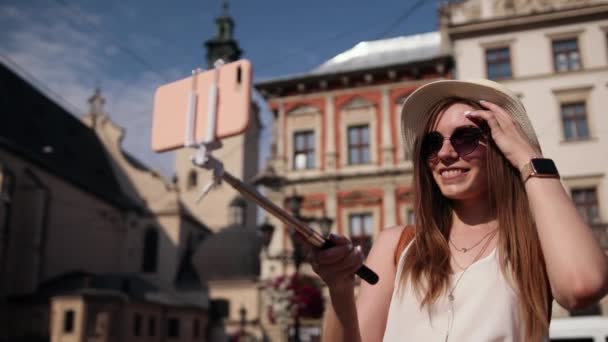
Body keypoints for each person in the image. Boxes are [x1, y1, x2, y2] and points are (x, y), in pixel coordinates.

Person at [307, 79, 608, 341]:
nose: (445, 153)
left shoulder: (534, 240)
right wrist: (340, 287)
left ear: (502, 145)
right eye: (431, 143)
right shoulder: (397, 246)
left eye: (466, 138)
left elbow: (582, 287)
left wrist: (527, 156)